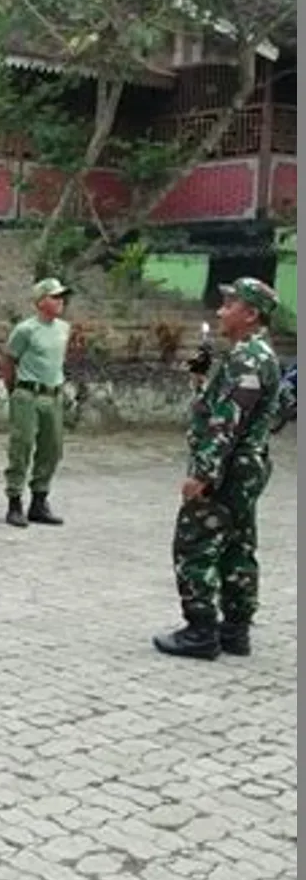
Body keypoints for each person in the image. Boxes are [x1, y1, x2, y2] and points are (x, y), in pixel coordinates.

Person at [153, 278, 283, 660]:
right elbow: (219, 404)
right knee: (238, 545)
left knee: (194, 543)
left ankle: (200, 631)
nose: (220, 311)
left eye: (229, 304)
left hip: (227, 469)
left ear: (251, 313)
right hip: (246, 467)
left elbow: (228, 421)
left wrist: (203, 474)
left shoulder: (249, 359)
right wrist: (201, 378)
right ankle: (235, 630)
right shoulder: (252, 355)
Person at [1, 276, 72, 528]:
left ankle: (40, 500)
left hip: (53, 394)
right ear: (41, 301)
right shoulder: (25, 330)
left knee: (52, 448)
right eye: (54, 296)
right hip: (28, 393)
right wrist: (15, 391)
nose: (60, 300)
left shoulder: (64, 329)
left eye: (61, 296)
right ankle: (14, 501)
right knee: (22, 446)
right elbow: (9, 360)